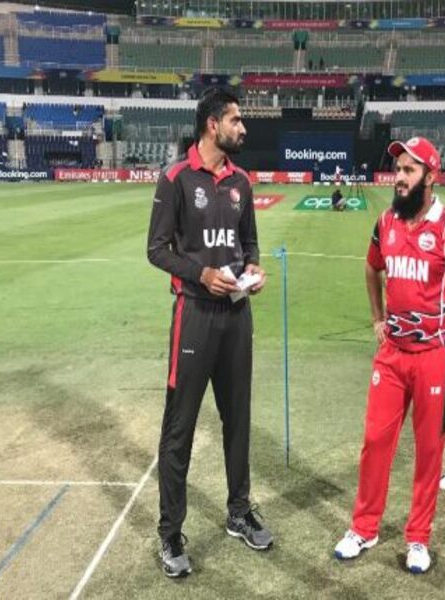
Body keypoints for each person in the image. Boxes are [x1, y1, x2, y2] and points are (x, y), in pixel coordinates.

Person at [334, 137, 445, 574]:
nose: (400, 177)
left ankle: (418, 538)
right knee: (376, 441)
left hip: (433, 355)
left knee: (429, 449)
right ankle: (364, 528)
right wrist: (377, 317)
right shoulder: (386, 222)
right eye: (398, 169)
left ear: (431, 176)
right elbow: (371, 267)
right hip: (392, 353)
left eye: (409, 170)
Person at [146, 88, 271, 578]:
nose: (243, 128)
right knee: (179, 428)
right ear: (212, 124)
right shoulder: (176, 177)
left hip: (237, 315)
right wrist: (200, 274)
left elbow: (249, 241)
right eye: (236, 120)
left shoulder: (241, 181)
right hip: (195, 315)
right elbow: (157, 250)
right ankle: (170, 533)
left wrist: (253, 267)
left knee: (237, 419)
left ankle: (238, 512)